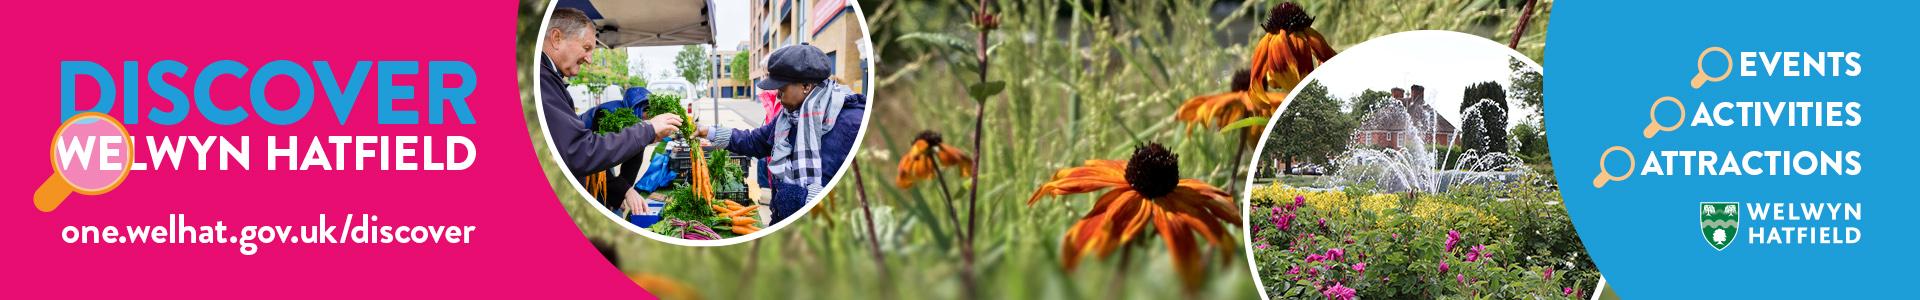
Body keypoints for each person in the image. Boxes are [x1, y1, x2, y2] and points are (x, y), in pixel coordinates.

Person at [699, 44, 865, 224]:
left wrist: (793, 197)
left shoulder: (853, 124)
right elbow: (755, 141)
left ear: (806, 86)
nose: (777, 95)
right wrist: (709, 132)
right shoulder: (787, 117)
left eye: (781, 88)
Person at [540, 8, 682, 206]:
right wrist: (647, 130)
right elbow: (580, 151)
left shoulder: (549, 78)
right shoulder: (541, 81)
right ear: (556, 38)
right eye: (587, 48)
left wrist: (626, 190)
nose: (589, 59)